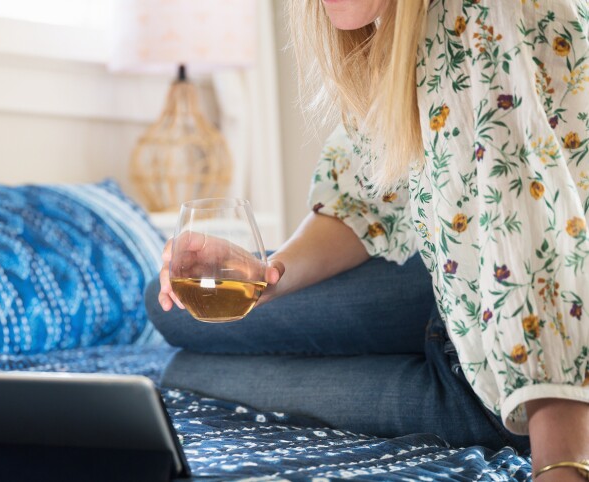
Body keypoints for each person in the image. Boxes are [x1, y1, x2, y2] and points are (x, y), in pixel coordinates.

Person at [151, 0, 589, 480]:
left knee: (187, 376)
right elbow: (363, 203)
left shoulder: (485, 14)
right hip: (452, 299)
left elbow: (538, 238)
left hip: (511, 377)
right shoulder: (399, 40)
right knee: (167, 306)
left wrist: (561, 462)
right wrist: (263, 273)